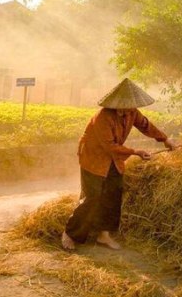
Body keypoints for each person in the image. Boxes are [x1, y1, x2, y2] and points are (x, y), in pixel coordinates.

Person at [61, 78, 175, 251]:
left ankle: (103, 235)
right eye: (126, 105)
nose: (129, 108)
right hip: (94, 159)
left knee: (113, 195)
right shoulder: (102, 118)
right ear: (116, 104)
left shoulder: (132, 113)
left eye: (131, 105)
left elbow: (145, 125)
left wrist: (164, 139)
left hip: (115, 159)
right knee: (92, 197)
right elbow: (109, 146)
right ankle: (70, 233)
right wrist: (135, 152)